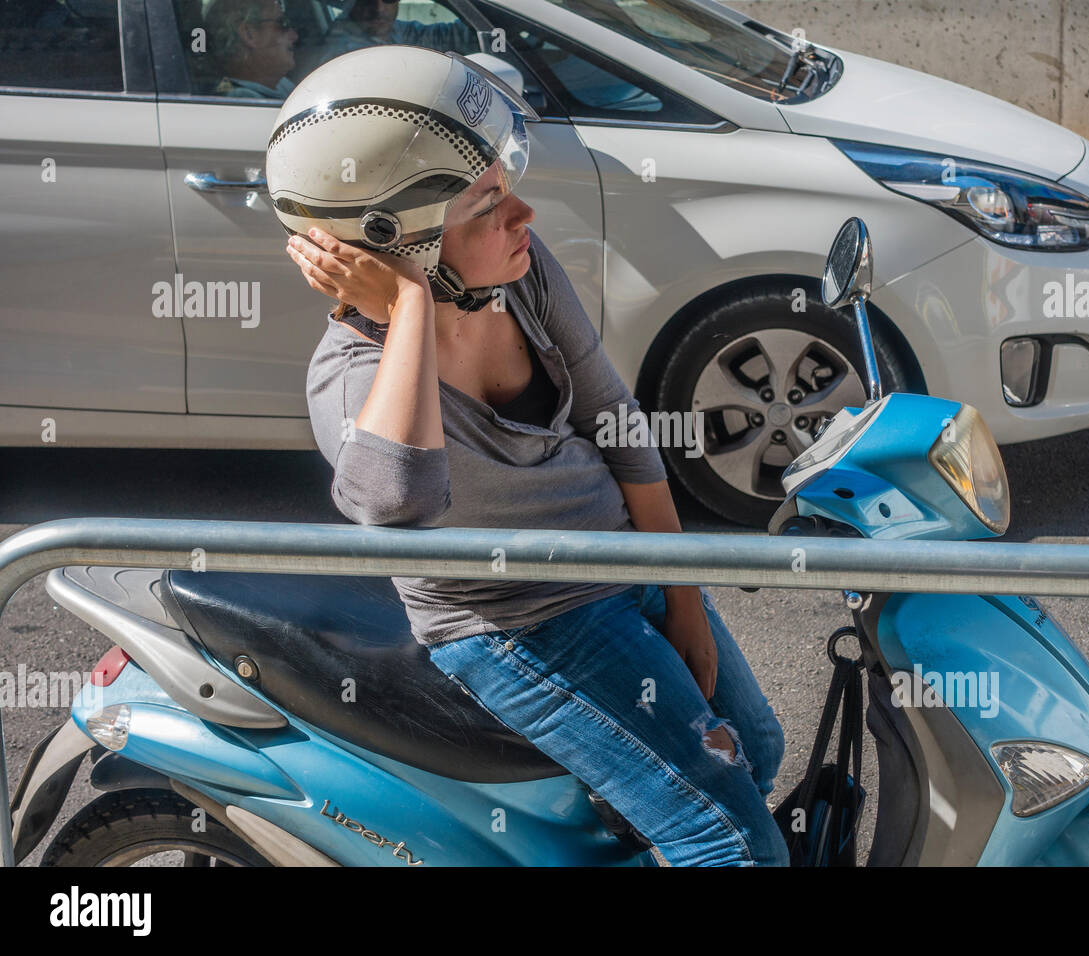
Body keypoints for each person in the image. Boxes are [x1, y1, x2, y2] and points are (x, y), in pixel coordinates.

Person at [267, 46, 788, 866]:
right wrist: (409, 305)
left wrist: (681, 593)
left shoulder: (519, 274)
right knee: (731, 846)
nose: (524, 219)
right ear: (399, 241)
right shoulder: (353, 380)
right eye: (487, 206)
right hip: (521, 626)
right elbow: (399, 499)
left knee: (759, 754)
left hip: (622, 560)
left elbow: (616, 418)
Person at [295, 0, 479, 77]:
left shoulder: (395, 31)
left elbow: (451, 36)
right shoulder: (338, 52)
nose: (379, 9)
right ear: (351, 3)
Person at [204, 0, 298, 98]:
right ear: (249, 34)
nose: (294, 36)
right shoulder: (241, 98)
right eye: (282, 24)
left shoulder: (281, 84)